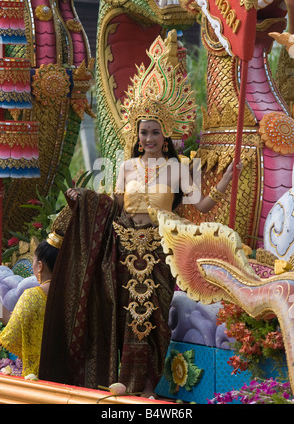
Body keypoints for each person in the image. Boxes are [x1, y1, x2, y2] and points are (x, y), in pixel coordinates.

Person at [38, 31, 242, 397]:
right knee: (121, 314)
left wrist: (224, 183)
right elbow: (115, 202)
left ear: (166, 136)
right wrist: (85, 199)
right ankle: (125, 384)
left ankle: (147, 386)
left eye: (154, 133)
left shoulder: (179, 167)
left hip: (159, 250)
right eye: (143, 132)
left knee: (151, 320)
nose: (148, 138)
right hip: (121, 247)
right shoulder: (128, 166)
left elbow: (201, 207)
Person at [0, 231, 63, 378]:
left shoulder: (31, 296)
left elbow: (11, 335)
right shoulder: (73, 295)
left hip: (37, 375)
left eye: (33, 262)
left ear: (39, 266)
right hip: (69, 374)